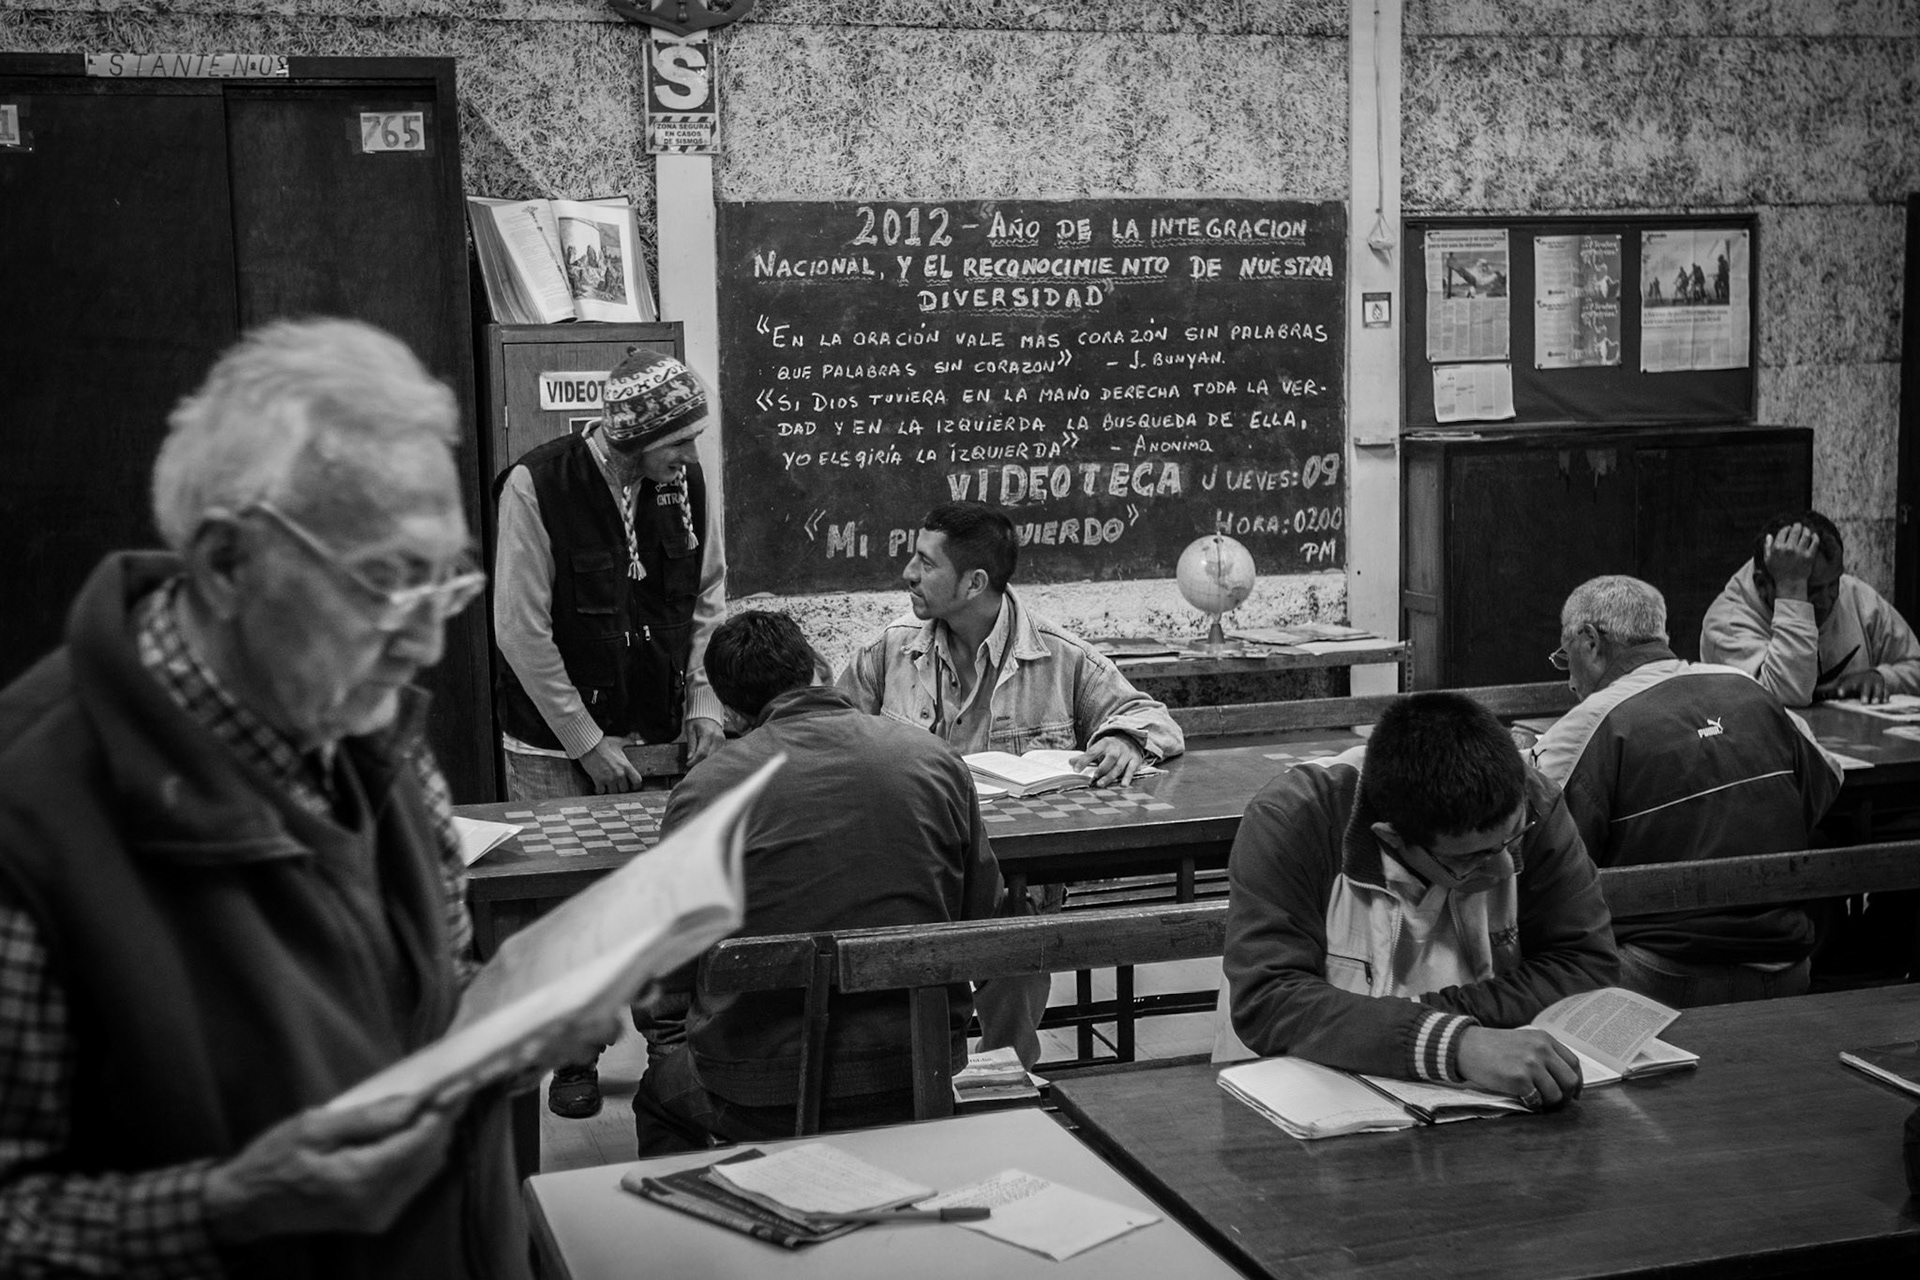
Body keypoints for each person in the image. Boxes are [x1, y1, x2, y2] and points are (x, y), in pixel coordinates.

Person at [0, 319, 607, 1277]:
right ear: (228, 563)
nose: (422, 647)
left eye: (442, 583)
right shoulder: (32, 821)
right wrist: (224, 1208)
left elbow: (419, 1038)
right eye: (382, 585)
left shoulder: (378, 745)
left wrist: (512, 1035)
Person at [632, 611, 1001, 1153]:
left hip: (760, 1089)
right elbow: (982, 915)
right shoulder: (933, 759)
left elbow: (670, 962)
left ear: (731, 712)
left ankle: (712, 1221)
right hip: (921, 1067)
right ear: (820, 668)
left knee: (659, 1096)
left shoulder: (705, 791)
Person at [838, 500, 1184, 1066]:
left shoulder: (1056, 654)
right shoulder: (892, 648)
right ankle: (920, 1078)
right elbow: (828, 727)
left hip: (1011, 876)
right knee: (893, 949)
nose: (908, 573)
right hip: (911, 868)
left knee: (1017, 944)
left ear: (975, 582)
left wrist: (1124, 739)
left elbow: (1151, 717)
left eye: (925, 563)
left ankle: (1001, 1081)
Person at [493, 346, 727, 1117]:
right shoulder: (538, 483)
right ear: (629, 436)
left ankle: (669, 1042)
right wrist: (585, 740)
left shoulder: (682, 483)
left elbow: (706, 600)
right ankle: (573, 1058)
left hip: (660, 728)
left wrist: (703, 701)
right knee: (573, 907)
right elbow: (521, 631)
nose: (689, 457)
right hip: (555, 743)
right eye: (677, 442)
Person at [1223, 692, 1617, 1107]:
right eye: (1471, 858)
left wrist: (1429, 1022)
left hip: (1479, 1100)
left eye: (1513, 837)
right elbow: (1270, 1000)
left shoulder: (1534, 801)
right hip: (1305, 1095)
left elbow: (1586, 966)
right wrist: (1454, 1044)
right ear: (1390, 837)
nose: (1505, 868)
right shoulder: (1296, 818)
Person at [1525, 576, 1842, 1005]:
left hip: (1656, 975)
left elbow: (1532, 841)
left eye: (1566, 659)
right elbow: (1829, 778)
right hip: (1787, 965)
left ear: (1590, 641)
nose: (1569, 682)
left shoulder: (1590, 723)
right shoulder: (1748, 688)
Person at [1699, 510, 1920, 707]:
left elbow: (1915, 666)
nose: (1827, 600)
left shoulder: (1857, 597)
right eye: (1811, 590)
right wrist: (1793, 595)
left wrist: (1883, 678)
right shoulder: (1725, 624)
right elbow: (1790, 693)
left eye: (1833, 583)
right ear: (1762, 585)